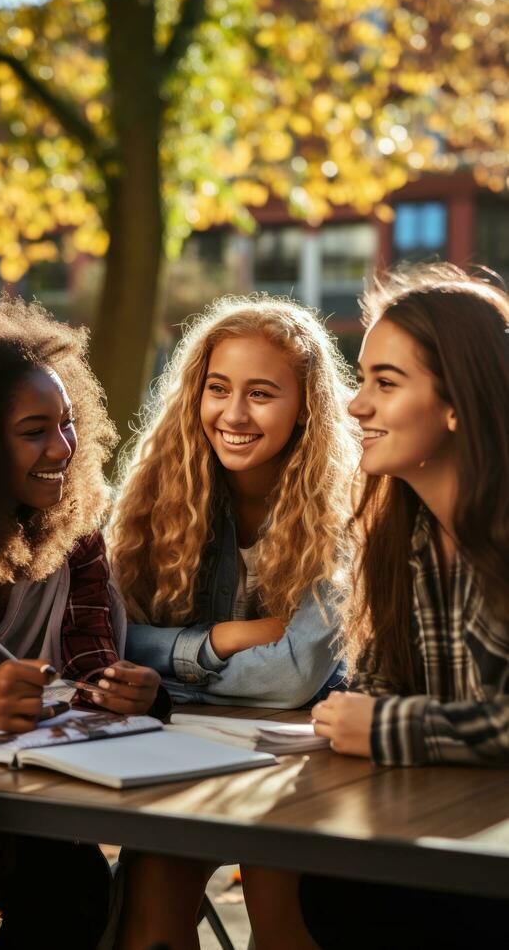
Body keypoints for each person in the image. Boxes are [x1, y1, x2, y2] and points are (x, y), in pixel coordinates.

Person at [108, 296, 359, 949]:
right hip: (184, 752)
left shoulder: (346, 510)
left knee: (277, 906)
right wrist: (225, 638)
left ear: (305, 406)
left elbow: (290, 679)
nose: (234, 414)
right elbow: (109, 639)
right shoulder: (157, 498)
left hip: (304, 761)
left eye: (262, 393)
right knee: (149, 912)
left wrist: (163, 675)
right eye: (218, 389)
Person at [302, 264, 509, 948]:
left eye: (384, 384)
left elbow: (386, 717)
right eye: (361, 380)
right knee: (330, 884)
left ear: (458, 403)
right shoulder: (399, 536)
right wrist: (351, 714)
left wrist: (389, 726)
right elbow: (374, 687)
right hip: (441, 836)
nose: (355, 405)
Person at [0, 297, 166, 950]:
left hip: (23, 798)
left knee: (77, 888)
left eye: (68, 423)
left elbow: (88, 663)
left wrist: (128, 690)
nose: (62, 448)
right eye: (33, 430)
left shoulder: (76, 537)